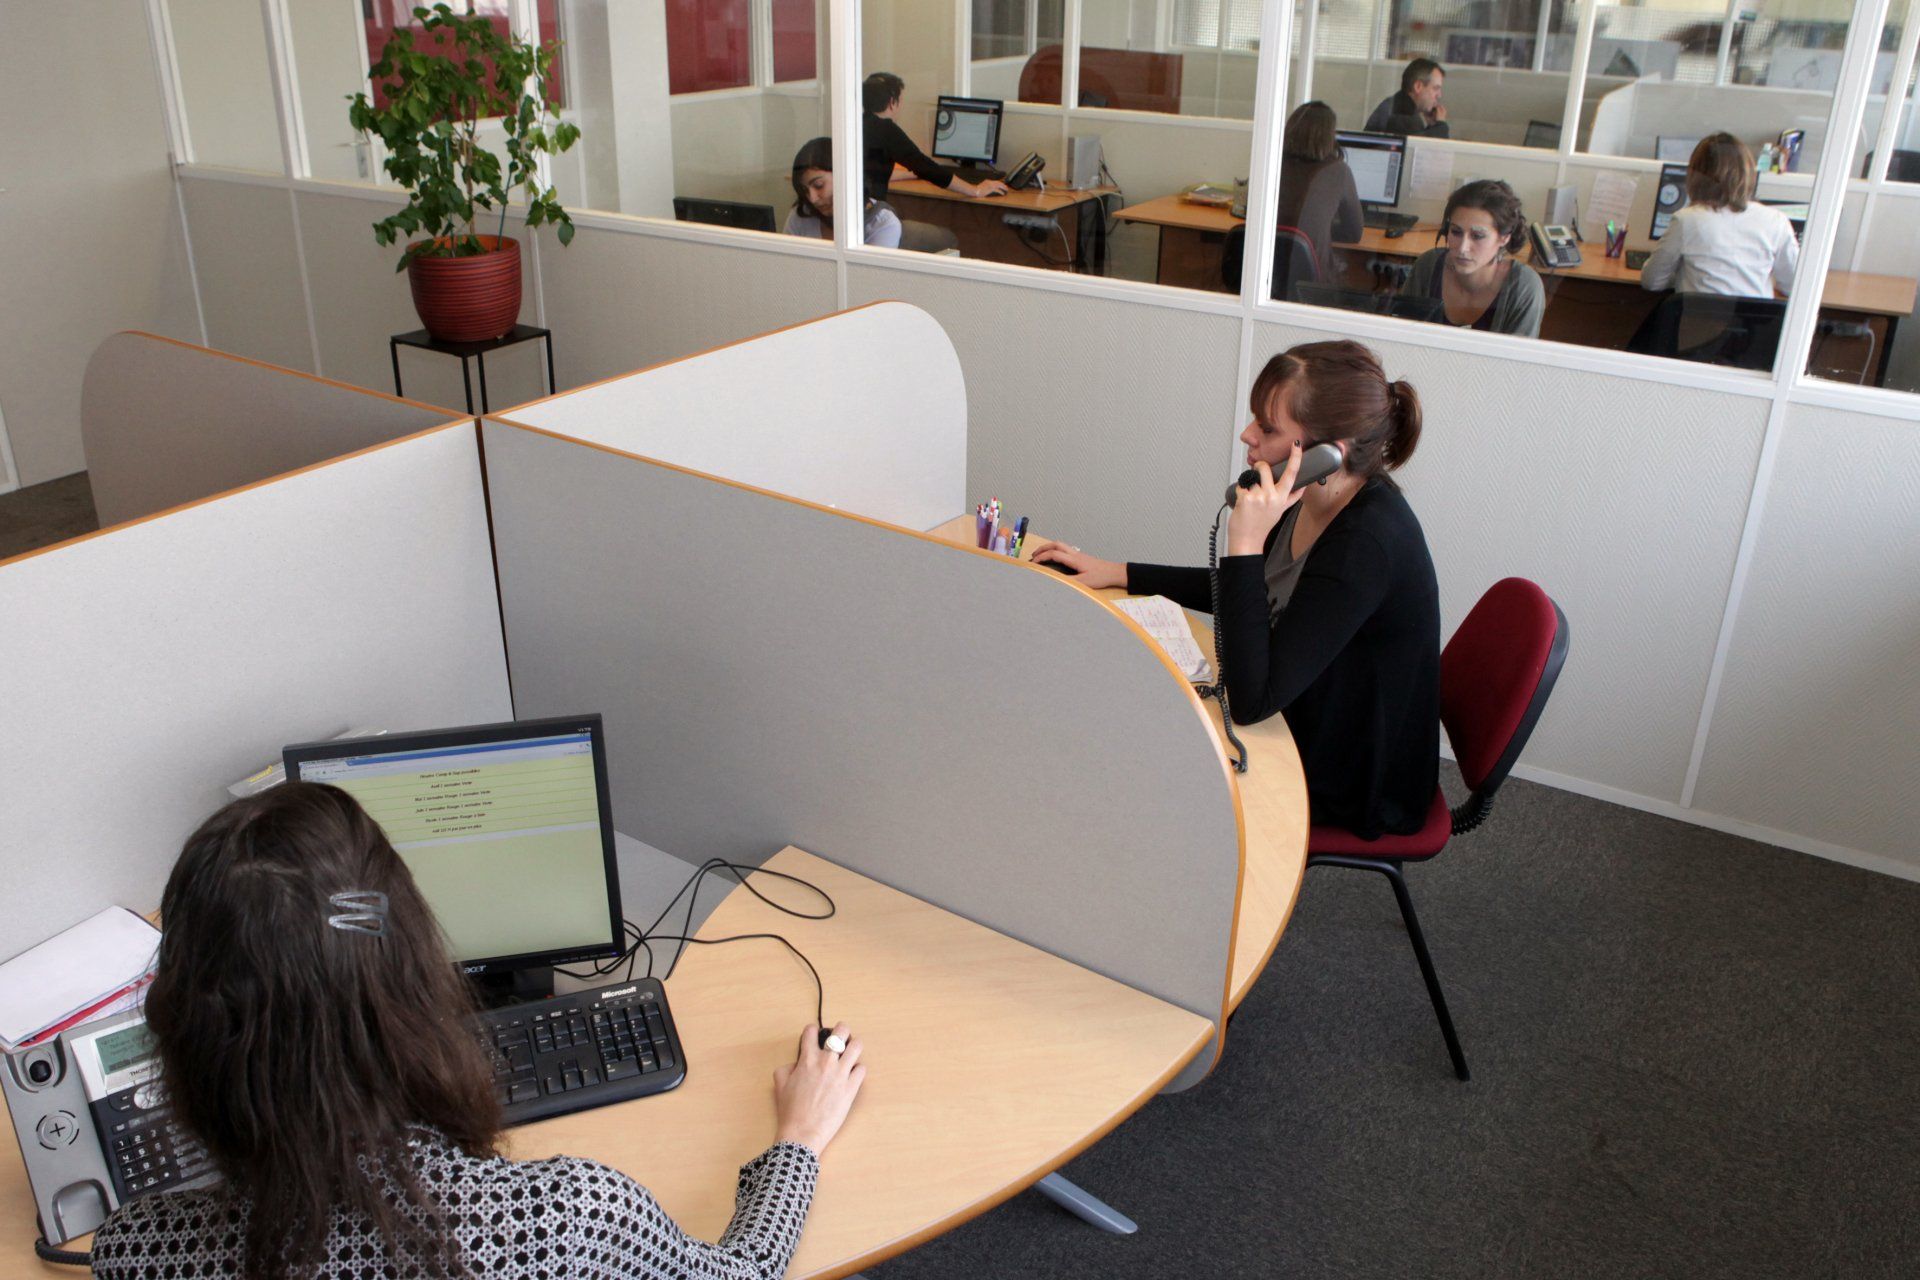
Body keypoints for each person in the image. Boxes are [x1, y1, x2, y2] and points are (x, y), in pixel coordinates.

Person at [89, 783, 866, 1280]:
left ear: (183, 1028)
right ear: (417, 980)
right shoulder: (566, 1221)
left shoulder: (139, 1254)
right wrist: (795, 1143)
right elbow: (746, 1273)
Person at [1030, 341, 1440, 840]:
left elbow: (1251, 701)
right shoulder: (1314, 494)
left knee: (1144, 758)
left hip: (1350, 775)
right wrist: (1119, 571)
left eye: (1268, 428)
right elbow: (1262, 593)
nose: (1247, 434)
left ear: (1329, 453)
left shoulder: (1364, 546)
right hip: (1307, 709)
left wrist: (1244, 541)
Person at [1639, 132, 1798, 298]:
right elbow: (1794, 285)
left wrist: (1682, 275)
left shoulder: (1686, 220)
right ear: (1747, 173)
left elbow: (1652, 282)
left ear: (1695, 175)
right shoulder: (1775, 221)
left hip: (1697, 322)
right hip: (1752, 323)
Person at [1403, 179, 1546, 337]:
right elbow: (1402, 338)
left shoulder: (1524, 286)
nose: (1463, 248)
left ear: (1504, 238)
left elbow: (1517, 360)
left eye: (1478, 236)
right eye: (1456, 232)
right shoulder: (1427, 266)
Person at [862, 72, 1009, 207]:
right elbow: (926, 167)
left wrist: (912, 173)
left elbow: (872, 170)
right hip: (873, 217)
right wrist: (975, 190)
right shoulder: (887, 130)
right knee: (944, 237)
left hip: (859, 215)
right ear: (892, 103)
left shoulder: (858, 125)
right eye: (900, 101)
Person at [1276, 101, 1363, 281]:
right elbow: (1354, 233)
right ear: (1329, 137)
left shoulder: (1271, 165)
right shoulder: (1339, 171)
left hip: (1262, 280)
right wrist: (1320, 228)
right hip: (1311, 285)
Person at [786, 136, 902, 248]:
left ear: (844, 175)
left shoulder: (882, 224)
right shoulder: (801, 215)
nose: (812, 199)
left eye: (818, 185)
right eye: (804, 190)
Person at [1364, 58, 1450, 138]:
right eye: (1435, 88)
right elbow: (1416, 148)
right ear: (1418, 86)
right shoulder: (1402, 117)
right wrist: (1441, 127)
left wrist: (1432, 126)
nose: (1439, 95)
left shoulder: (1396, 105)